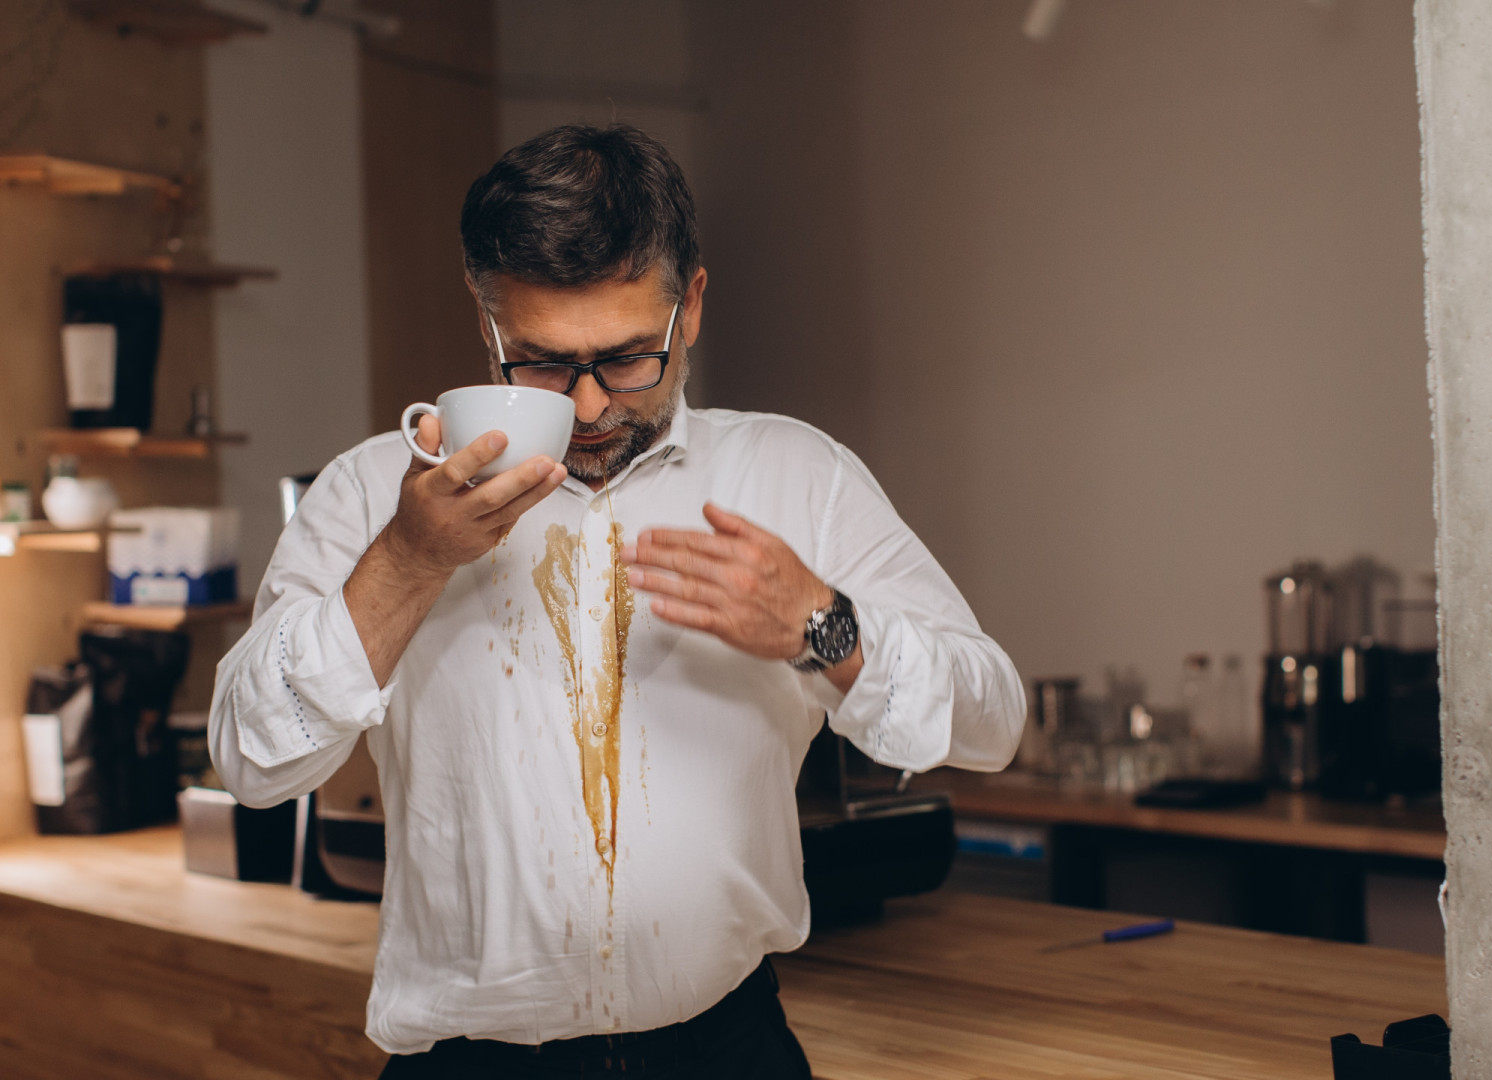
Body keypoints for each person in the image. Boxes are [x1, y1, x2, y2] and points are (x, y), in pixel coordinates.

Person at [209, 123, 1025, 1078]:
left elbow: (993, 722)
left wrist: (822, 626)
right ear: (489, 327)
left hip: (729, 1049)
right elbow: (250, 764)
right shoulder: (374, 494)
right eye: (546, 362)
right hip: (473, 1066)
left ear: (693, 308)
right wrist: (408, 561)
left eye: (630, 356)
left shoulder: (798, 475)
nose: (592, 406)